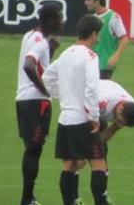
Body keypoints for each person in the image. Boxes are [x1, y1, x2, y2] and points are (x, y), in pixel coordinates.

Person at [42, 15, 109, 205]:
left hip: (65, 119)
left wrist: (61, 95)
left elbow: (47, 77)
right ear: (93, 34)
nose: (97, 40)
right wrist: (93, 117)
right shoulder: (90, 57)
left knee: (69, 165)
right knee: (98, 163)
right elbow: (91, 88)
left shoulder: (66, 53)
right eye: (98, 35)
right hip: (82, 120)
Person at [15, 2, 64, 205]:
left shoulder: (30, 35)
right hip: (36, 103)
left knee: (31, 149)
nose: (62, 22)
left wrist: (50, 52)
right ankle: (27, 200)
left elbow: (39, 65)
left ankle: (29, 198)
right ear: (51, 20)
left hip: (23, 100)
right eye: (59, 18)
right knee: (34, 151)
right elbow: (29, 65)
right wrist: (44, 90)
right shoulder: (40, 42)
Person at [84, 0, 130, 80]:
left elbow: (124, 38)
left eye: (89, 0)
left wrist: (115, 56)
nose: (86, 2)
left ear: (97, 1)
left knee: (101, 92)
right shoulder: (92, 18)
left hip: (105, 64)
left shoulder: (113, 17)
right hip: (91, 63)